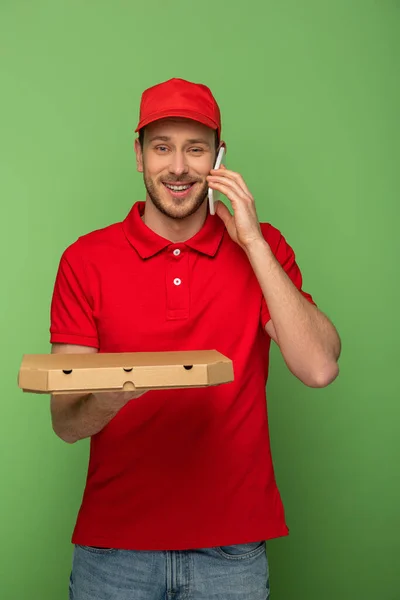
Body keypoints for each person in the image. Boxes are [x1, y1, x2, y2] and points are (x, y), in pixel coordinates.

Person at [49, 77, 341, 600]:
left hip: (232, 554)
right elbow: (66, 422)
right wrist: (116, 391)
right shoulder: (84, 261)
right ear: (138, 156)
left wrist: (250, 240)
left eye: (195, 149)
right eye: (161, 147)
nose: (178, 167)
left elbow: (319, 367)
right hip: (113, 553)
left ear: (219, 158)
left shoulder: (262, 249)